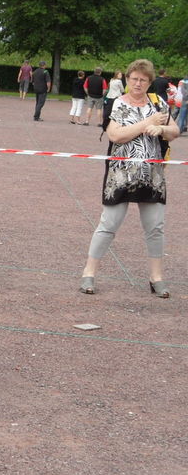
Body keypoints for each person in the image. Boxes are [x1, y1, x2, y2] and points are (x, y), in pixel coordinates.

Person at [79, 59, 179, 297]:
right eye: (134, 78)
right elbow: (115, 135)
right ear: (127, 80)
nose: (138, 83)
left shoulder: (158, 103)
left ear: (150, 82)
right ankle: (88, 273)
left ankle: (156, 278)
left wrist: (162, 129)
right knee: (108, 224)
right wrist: (146, 124)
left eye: (143, 80)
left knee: (155, 227)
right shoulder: (116, 104)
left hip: (151, 175)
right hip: (120, 175)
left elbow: (174, 131)